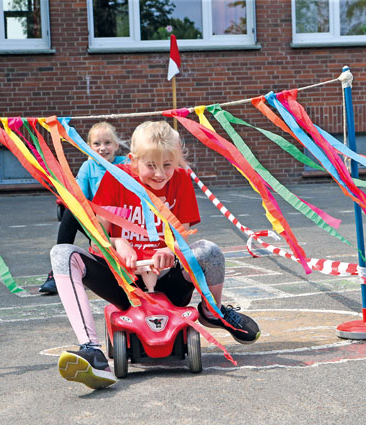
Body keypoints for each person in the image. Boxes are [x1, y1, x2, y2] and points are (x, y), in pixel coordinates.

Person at [52, 121, 261, 390]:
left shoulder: (181, 180)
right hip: (124, 280)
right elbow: (99, 232)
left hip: (167, 277)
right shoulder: (116, 176)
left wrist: (170, 248)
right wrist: (119, 242)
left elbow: (183, 229)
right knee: (62, 254)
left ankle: (212, 311)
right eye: (151, 165)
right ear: (133, 160)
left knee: (209, 251)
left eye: (168, 165)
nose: (160, 174)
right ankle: (91, 350)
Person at [39, 122, 129, 294]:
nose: (102, 148)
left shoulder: (126, 164)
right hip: (98, 223)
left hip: (123, 222)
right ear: (89, 147)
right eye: (97, 144)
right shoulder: (88, 167)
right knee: (71, 211)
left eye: (107, 143)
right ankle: (59, 269)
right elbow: (79, 197)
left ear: (116, 145)